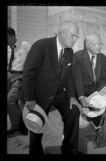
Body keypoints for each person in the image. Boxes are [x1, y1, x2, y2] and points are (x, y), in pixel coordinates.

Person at [22, 20, 81, 154]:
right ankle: (35, 151)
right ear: (63, 32)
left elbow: (69, 77)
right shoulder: (42, 45)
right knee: (36, 122)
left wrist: (72, 96)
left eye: (77, 37)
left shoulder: (69, 52)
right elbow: (28, 73)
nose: (75, 40)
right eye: (74, 36)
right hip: (40, 94)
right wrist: (30, 99)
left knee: (74, 111)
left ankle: (70, 150)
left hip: (59, 94)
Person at [73, 33, 106, 129]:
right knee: (78, 115)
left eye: (100, 44)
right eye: (95, 44)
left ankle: (97, 130)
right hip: (81, 91)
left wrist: (99, 94)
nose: (99, 47)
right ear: (87, 45)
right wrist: (81, 97)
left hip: (96, 91)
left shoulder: (103, 58)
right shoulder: (77, 56)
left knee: (100, 110)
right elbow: (77, 79)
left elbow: (103, 79)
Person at [7, 27, 30, 135]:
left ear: (11, 36)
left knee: (11, 100)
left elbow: (31, 61)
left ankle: (20, 125)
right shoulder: (8, 48)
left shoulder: (24, 46)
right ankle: (17, 125)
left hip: (19, 77)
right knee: (15, 103)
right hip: (8, 75)